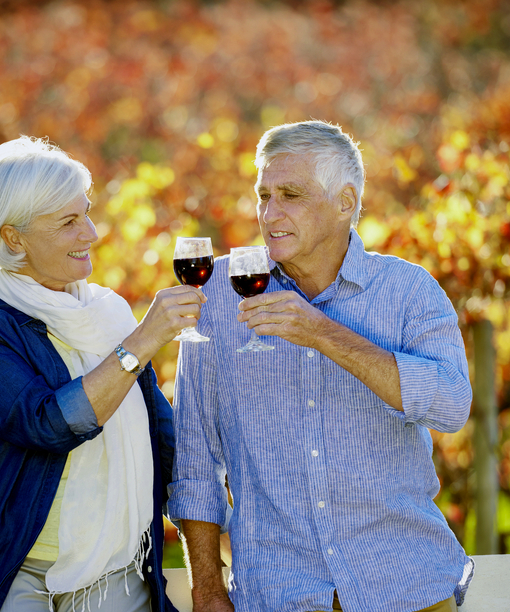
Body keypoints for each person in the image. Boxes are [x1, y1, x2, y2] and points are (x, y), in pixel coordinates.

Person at [168, 121, 474, 612]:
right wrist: (207, 589)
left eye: (291, 195)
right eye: (264, 195)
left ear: (345, 203)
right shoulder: (218, 298)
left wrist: (323, 334)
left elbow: (452, 406)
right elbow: (196, 461)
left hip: (407, 590)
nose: (270, 213)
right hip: (277, 595)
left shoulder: (408, 291)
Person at [0, 136, 203, 612]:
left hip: (118, 573)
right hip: (12, 573)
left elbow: (165, 445)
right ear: (13, 238)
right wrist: (142, 343)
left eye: (86, 213)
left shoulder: (110, 315)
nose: (90, 233)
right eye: (69, 222)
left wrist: (227, 544)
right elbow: (49, 423)